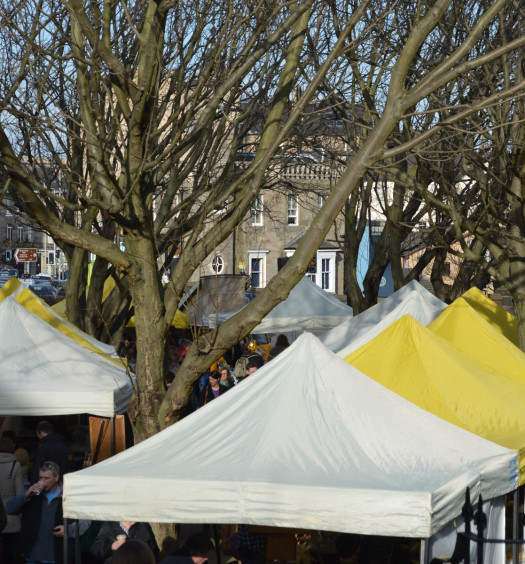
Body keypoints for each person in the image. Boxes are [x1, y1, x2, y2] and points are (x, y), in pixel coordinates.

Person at [6, 460, 65, 564]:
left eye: (46, 478)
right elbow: (9, 508)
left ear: (56, 477)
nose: (42, 481)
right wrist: (26, 495)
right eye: (41, 478)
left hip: (56, 555)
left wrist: (68, 530)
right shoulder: (32, 494)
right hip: (32, 555)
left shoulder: (66, 496)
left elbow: (81, 521)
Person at [0, 437, 24, 564]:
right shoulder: (15, 465)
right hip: (10, 515)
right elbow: (20, 494)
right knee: (8, 550)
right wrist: (21, 515)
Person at [91, 520, 159, 564]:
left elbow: (154, 550)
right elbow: (95, 550)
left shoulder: (143, 525)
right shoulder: (110, 526)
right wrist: (111, 547)